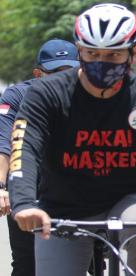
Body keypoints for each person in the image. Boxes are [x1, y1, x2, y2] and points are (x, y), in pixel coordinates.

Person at [8, 4, 136, 276]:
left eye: (114, 55)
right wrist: (23, 203)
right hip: (63, 208)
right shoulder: (46, 93)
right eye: (92, 53)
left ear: (133, 52)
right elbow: (25, 147)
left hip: (130, 200)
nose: (101, 62)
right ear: (79, 50)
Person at [0, 38, 80, 276]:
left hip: (78, 184)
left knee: (88, 260)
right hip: (29, 184)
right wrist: (1, 186)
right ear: (38, 74)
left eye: (72, 71)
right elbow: (4, 142)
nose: (65, 79)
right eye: (56, 72)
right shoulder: (16, 97)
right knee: (28, 263)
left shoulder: (91, 94)